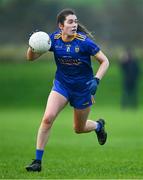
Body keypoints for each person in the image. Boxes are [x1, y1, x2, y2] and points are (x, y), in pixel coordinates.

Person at [25, 9, 109, 172]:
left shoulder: (84, 42)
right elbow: (30, 58)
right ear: (61, 26)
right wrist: (32, 44)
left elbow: (105, 61)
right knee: (47, 118)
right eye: (70, 22)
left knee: (78, 128)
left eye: (76, 21)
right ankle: (37, 161)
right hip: (62, 86)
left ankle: (98, 126)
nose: (74, 25)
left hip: (83, 89)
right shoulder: (53, 39)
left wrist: (96, 80)